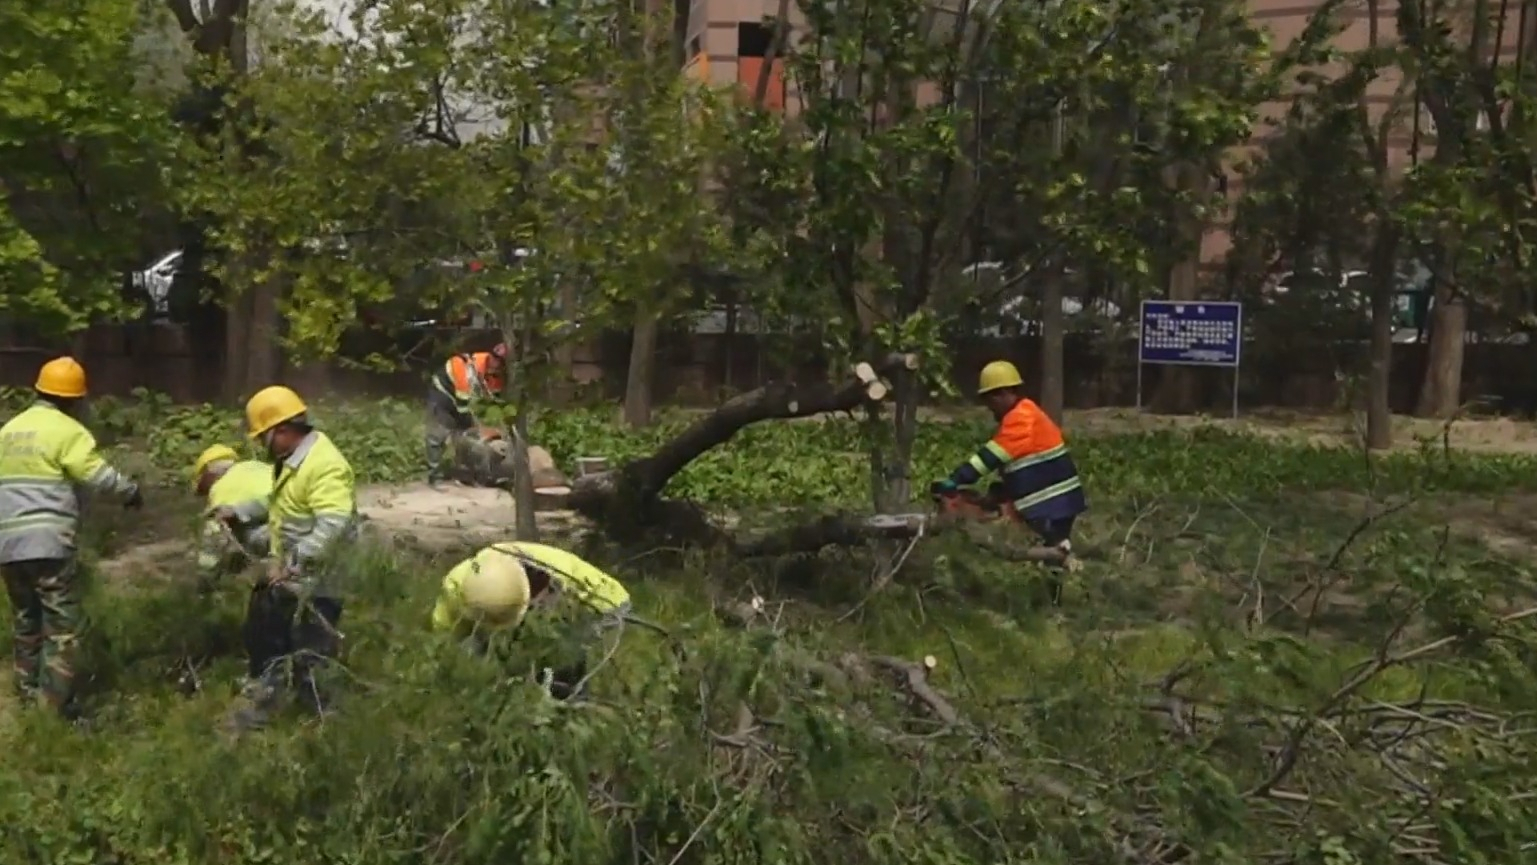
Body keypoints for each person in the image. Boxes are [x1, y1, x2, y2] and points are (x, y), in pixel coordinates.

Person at [0, 357, 142, 718]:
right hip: (49, 543)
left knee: (26, 619)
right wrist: (130, 492)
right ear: (74, 400)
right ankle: (54, 709)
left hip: (8, 545)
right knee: (61, 627)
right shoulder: (68, 431)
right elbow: (95, 474)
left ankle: (26, 695)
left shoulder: (9, 431)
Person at [228, 385, 360, 734]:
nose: (262, 445)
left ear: (283, 430)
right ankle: (268, 696)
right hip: (296, 573)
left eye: (263, 437)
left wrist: (292, 564)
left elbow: (333, 525)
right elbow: (278, 502)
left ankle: (325, 721)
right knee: (265, 626)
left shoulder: (324, 465)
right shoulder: (293, 461)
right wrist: (238, 512)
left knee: (313, 651)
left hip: (321, 578)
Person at [931, 360, 1087, 600]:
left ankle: (1055, 597)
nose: (989, 408)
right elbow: (1024, 464)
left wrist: (956, 479)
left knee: (1051, 550)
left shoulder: (1020, 418)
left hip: (1051, 501)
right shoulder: (1025, 414)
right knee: (1050, 549)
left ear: (1003, 394)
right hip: (1055, 498)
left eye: (990, 401)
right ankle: (1052, 598)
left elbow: (991, 457)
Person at [431, 542, 631, 697]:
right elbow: (444, 633)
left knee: (560, 662)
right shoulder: (457, 583)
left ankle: (568, 709)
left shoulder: (553, 582)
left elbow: (549, 639)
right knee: (477, 657)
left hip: (602, 604)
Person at [425, 343, 508, 485]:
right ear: (490, 356)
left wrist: (493, 425)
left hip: (463, 400)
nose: (497, 365)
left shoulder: (495, 375)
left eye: (501, 363)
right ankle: (435, 476)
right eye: (495, 360)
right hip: (442, 393)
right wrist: (476, 426)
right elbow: (463, 403)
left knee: (466, 437)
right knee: (438, 434)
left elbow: (494, 402)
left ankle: (464, 472)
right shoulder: (465, 368)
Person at [190, 444, 273, 584]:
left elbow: (214, 533)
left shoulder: (220, 488)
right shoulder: (259, 466)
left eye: (204, 488)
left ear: (209, 473)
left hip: (271, 534)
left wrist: (204, 577)